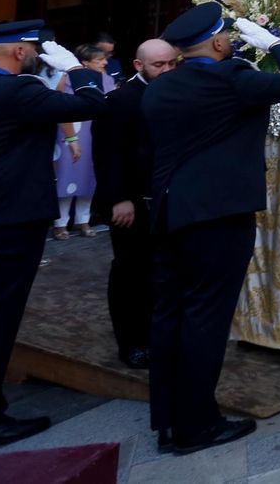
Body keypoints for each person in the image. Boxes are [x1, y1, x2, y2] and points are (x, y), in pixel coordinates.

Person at [144, 3, 280, 455]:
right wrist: (279, 45)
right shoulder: (230, 78)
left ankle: (166, 419)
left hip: (169, 213)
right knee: (205, 319)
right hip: (217, 217)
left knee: (170, 316)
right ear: (220, 42)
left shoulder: (160, 88)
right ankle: (196, 426)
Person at [0, 22, 107, 448]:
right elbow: (93, 104)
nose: (40, 55)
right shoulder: (18, 91)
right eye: (37, 49)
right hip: (10, 220)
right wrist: (77, 70)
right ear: (20, 52)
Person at [91, 38, 177, 368]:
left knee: (164, 272)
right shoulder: (120, 100)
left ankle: (160, 336)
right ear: (139, 66)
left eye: (172, 63)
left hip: (168, 200)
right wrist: (119, 199)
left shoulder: (176, 92)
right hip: (131, 204)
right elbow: (108, 155)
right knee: (131, 274)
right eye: (159, 65)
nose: (167, 70)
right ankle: (132, 343)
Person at [50, 43, 115, 239]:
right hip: (71, 133)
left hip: (96, 133)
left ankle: (82, 221)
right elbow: (59, 106)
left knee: (90, 177)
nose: (104, 62)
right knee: (67, 176)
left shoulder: (108, 80)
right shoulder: (67, 79)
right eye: (99, 60)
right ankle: (60, 223)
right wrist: (71, 137)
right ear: (84, 63)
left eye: (105, 59)